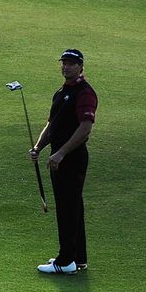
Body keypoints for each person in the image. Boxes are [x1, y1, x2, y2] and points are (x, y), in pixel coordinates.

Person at [29, 48, 97, 274]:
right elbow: (52, 125)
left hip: (72, 158)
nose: (66, 66)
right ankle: (77, 258)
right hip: (59, 157)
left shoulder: (84, 92)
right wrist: (39, 146)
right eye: (64, 62)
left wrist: (61, 153)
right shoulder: (61, 92)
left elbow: (85, 128)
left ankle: (65, 260)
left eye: (71, 63)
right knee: (72, 206)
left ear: (81, 66)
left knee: (68, 208)